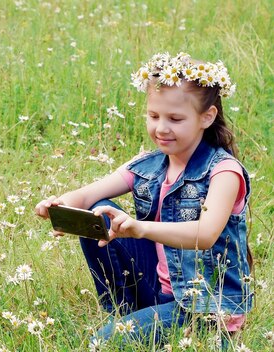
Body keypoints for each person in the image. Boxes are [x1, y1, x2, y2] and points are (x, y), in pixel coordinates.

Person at [35, 52, 252, 347]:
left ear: (207, 117)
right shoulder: (149, 164)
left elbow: (206, 233)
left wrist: (139, 228)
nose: (161, 128)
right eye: (154, 116)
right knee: (96, 212)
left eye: (175, 118)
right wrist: (61, 205)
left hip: (203, 306)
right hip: (161, 288)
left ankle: (155, 329)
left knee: (105, 343)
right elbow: (89, 193)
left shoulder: (223, 172)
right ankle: (129, 314)